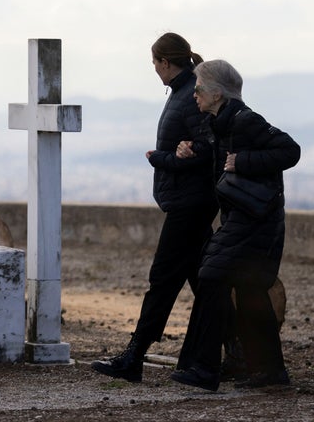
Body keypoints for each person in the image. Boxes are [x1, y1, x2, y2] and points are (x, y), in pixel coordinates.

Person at [90, 33, 219, 382]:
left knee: (162, 280)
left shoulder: (190, 94)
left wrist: (163, 159)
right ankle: (236, 353)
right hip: (190, 201)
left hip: (189, 204)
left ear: (164, 62)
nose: (155, 70)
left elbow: (208, 147)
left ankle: (134, 356)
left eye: (154, 64)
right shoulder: (184, 91)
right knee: (206, 282)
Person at [170, 59, 300, 391]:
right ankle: (270, 371)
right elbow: (216, 160)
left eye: (198, 89)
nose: (194, 95)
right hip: (246, 220)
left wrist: (243, 162)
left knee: (211, 277)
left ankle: (206, 368)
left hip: (255, 223)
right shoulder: (221, 123)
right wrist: (188, 148)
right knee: (251, 291)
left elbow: (289, 150)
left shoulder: (245, 120)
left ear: (216, 94)